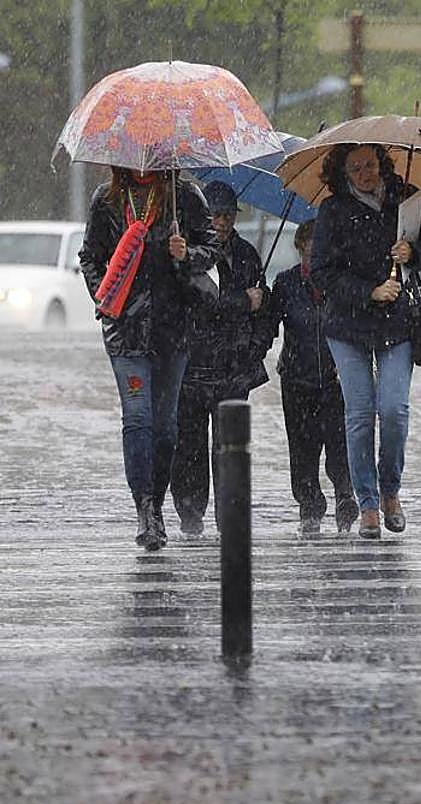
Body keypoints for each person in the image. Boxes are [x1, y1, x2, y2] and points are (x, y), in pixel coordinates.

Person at [79, 167, 220, 551]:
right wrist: (105, 295)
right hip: (125, 332)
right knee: (138, 417)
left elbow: (211, 247)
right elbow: (90, 257)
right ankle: (144, 508)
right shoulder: (107, 200)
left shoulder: (184, 196)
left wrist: (187, 253)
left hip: (173, 332)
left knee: (166, 428)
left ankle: (156, 503)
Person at [310, 143, 421, 539]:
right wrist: (368, 291)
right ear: (343, 173)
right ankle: (367, 503)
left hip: (397, 323)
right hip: (347, 325)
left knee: (394, 410)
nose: (365, 173)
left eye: (370, 164)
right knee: (360, 414)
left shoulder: (407, 198)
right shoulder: (333, 210)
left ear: (381, 163)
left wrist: (412, 252)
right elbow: (322, 272)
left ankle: (390, 492)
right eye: (355, 168)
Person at [170, 180, 275, 538]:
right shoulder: (187, 254)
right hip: (191, 367)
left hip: (234, 369)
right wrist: (242, 301)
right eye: (216, 215)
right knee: (189, 445)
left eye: (228, 215)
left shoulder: (247, 255)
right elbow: (198, 303)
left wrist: (254, 349)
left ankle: (228, 515)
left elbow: (264, 310)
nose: (222, 222)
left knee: (230, 448)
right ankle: (190, 513)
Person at [264, 219, 357, 535]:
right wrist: (258, 305)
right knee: (302, 447)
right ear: (300, 246)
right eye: (310, 243)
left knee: (339, 442)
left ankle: (345, 496)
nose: (315, 250)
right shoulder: (286, 283)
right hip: (296, 377)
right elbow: (268, 327)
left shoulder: (341, 281)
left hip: (337, 377)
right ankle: (309, 504)